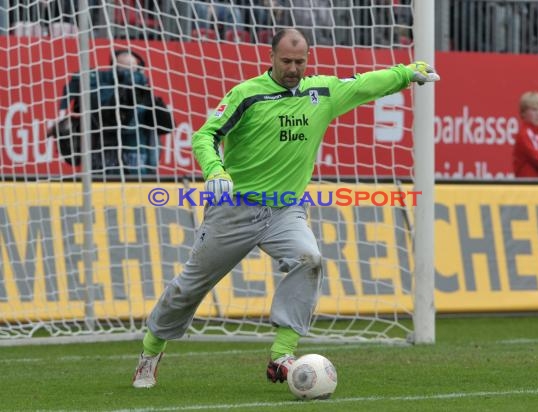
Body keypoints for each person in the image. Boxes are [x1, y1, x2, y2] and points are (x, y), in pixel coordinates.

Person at [131, 27, 440, 389]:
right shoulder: (246, 95)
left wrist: (406, 73)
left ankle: (282, 354)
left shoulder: (321, 92)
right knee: (190, 287)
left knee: (309, 259)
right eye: (286, 61)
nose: (294, 68)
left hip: (285, 211)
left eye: (300, 61)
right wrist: (215, 169)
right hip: (235, 208)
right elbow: (205, 135)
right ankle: (150, 352)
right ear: (271, 58)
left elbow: (366, 84)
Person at [48, 49, 174, 175]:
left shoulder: (147, 99)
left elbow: (167, 126)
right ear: (113, 70)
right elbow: (109, 119)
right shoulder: (97, 92)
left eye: (133, 71)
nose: (129, 76)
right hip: (102, 172)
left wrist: (153, 101)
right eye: (123, 70)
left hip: (139, 173)